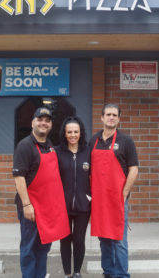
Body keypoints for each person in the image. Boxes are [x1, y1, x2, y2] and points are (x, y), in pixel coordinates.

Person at [12, 107, 70, 278]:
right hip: (31, 207)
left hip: (47, 207)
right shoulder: (25, 146)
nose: (43, 123)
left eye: (47, 120)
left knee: (44, 246)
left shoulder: (49, 145)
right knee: (29, 247)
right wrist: (27, 204)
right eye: (40, 119)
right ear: (33, 122)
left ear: (51, 124)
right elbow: (18, 177)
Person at [89, 103, 139, 278]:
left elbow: (134, 169)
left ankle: (122, 275)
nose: (111, 117)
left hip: (118, 199)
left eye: (114, 115)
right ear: (102, 117)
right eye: (108, 114)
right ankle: (108, 272)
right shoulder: (93, 140)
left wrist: (124, 193)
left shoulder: (126, 141)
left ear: (119, 119)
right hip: (99, 200)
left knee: (119, 240)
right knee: (104, 239)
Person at [55, 116, 92, 278]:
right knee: (65, 241)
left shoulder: (88, 152)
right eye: (69, 132)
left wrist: (91, 197)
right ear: (64, 134)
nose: (72, 135)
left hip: (83, 206)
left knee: (78, 240)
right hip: (62, 205)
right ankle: (67, 273)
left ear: (81, 133)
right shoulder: (56, 152)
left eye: (76, 132)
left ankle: (77, 272)